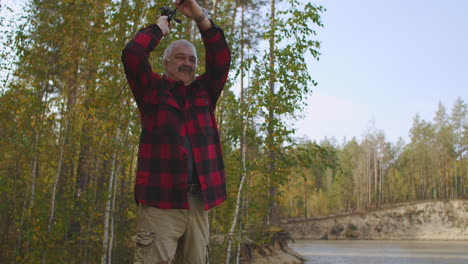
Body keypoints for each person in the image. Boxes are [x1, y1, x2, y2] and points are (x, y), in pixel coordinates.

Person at [121, 0, 231, 263]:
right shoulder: (151, 90)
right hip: (160, 201)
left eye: (192, 59)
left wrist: (200, 17)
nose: (187, 63)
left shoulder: (205, 91)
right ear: (166, 63)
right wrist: (159, 27)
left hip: (198, 201)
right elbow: (133, 55)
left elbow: (221, 57)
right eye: (180, 58)